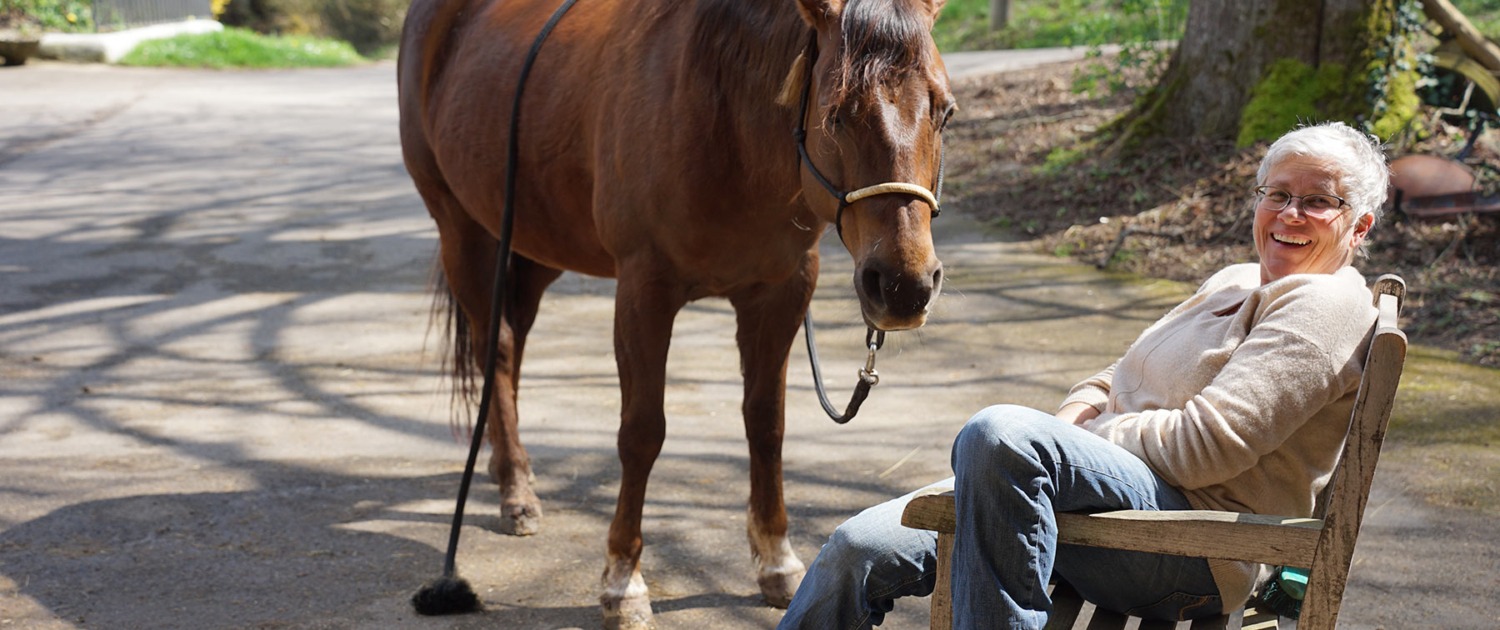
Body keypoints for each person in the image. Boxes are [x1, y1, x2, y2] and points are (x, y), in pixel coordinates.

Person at [778, 121, 1389, 629]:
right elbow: (1116, 373)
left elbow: (1208, 446)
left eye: (1318, 201)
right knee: (857, 550)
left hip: (1192, 549)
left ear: (1358, 226)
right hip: (1103, 504)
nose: (1290, 213)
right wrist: (1070, 424)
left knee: (1003, 435)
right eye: (1276, 194)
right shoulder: (1236, 278)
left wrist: (1070, 444)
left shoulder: (1325, 307)